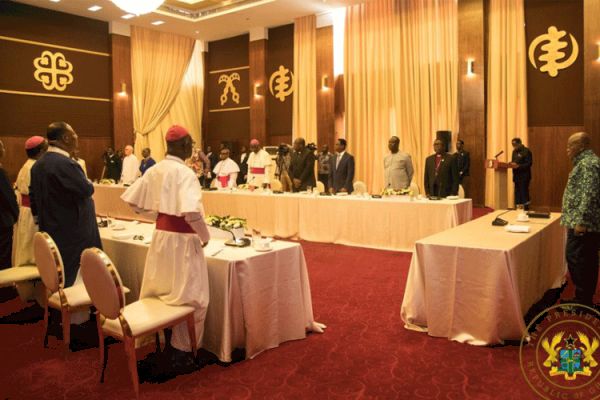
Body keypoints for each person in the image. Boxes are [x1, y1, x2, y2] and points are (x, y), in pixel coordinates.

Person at [121, 125, 210, 358]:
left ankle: (160, 338)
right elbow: (191, 213)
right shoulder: (186, 173)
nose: (191, 149)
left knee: (161, 290)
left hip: (161, 237)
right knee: (191, 296)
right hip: (183, 241)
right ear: (182, 146)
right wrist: (205, 235)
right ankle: (183, 349)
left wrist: (160, 216)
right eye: (190, 145)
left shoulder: (155, 169)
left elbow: (133, 203)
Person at [30, 122, 101, 287]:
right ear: (66, 138)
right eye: (74, 134)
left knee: (60, 273)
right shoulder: (65, 164)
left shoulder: (38, 165)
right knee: (78, 278)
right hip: (74, 234)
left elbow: (34, 197)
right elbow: (87, 189)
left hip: (52, 228)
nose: (77, 138)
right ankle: (79, 309)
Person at [560, 132, 600, 307]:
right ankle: (584, 298)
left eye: (570, 146)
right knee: (586, 259)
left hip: (583, 224)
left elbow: (589, 194)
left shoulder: (588, 164)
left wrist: (581, 221)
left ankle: (583, 300)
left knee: (577, 258)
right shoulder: (586, 162)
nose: (567, 150)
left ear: (580, 146)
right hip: (583, 222)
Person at [13, 136, 47, 269]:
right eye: (46, 149)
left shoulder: (26, 165)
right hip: (32, 211)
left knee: (26, 243)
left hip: (26, 210)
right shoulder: (35, 167)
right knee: (31, 245)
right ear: (40, 151)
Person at [0, 140, 19, 269]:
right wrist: (17, 216)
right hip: (2, 222)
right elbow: (9, 199)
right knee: (3, 257)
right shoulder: (1, 173)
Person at [510, 137, 532, 208]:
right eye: (512, 145)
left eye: (515, 144)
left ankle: (525, 209)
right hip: (516, 176)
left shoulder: (527, 151)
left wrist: (518, 166)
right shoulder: (514, 152)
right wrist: (511, 164)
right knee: (517, 193)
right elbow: (514, 162)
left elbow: (529, 163)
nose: (514, 146)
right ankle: (518, 209)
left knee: (524, 193)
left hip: (524, 176)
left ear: (520, 143)